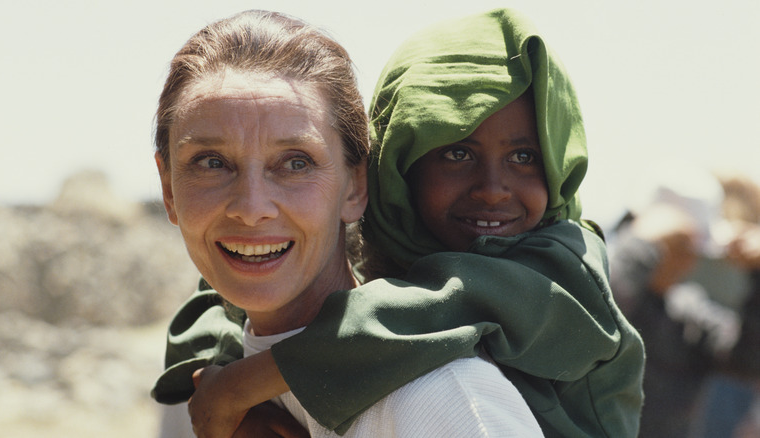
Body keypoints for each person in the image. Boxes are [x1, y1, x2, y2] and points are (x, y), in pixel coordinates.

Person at [153, 8, 645, 438]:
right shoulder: (391, 255)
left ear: (357, 183)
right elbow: (215, 304)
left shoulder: (559, 274)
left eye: (296, 162)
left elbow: (433, 309)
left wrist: (243, 385)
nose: (251, 207)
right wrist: (210, 380)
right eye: (211, 163)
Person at [608, 167, 760, 437]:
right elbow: (601, 309)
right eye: (677, 247)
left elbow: (747, 361)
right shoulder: (597, 275)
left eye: (694, 251)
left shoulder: (688, 312)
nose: (687, 263)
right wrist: (642, 242)